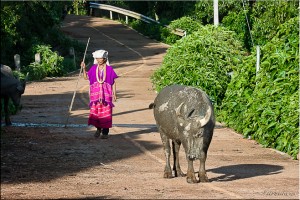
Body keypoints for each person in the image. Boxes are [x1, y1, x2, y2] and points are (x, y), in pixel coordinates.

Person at [81, 50, 118, 139]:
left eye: (100, 58)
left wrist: (114, 93)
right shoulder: (94, 68)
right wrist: (83, 68)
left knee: (106, 114)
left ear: (105, 59)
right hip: (95, 95)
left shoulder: (109, 69)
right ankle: (98, 129)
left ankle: (105, 133)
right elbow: (86, 77)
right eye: (97, 58)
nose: (98, 60)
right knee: (96, 113)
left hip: (107, 95)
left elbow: (113, 82)